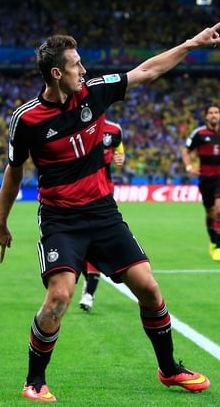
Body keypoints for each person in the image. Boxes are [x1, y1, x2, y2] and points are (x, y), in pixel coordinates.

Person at [0, 17, 220, 402]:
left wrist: (192, 43)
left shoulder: (94, 92)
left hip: (103, 214)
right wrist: (1, 221)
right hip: (61, 220)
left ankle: (169, 370)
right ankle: (35, 381)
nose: (84, 71)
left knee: (149, 288)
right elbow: (14, 171)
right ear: (56, 73)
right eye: (76, 66)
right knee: (60, 298)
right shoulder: (27, 120)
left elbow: (147, 70)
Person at [79, 116, 125, 312]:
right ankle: (88, 280)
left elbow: (119, 151)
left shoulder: (114, 130)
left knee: (93, 242)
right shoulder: (76, 124)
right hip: (76, 194)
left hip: (103, 195)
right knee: (79, 246)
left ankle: (89, 292)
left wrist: (120, 157)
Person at [181, 105, 220, 262]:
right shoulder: (198, 133)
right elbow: (185, 151)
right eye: (211, 113)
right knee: (210, 212)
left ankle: (218, 248)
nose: (214, 115)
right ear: (206, 117)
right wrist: (189, 166)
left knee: (219, 210)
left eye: (216, 112)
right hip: (205, 177)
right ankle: (212, 241)